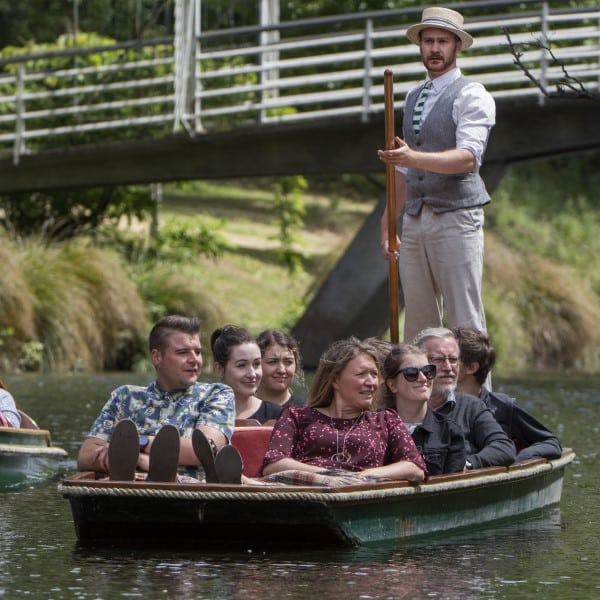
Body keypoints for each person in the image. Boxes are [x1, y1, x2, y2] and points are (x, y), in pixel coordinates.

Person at [377, 6, 496, 342]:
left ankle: (476, 380)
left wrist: (413, 157)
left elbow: (468, 159)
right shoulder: (413, 97)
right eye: (428, 41)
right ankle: (423, 379)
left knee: (464, 320)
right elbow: (403, 169)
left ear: (457, 46)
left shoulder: (472, 94)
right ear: (420, 46)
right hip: (416, 219)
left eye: (443, 41)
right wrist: (387, 223)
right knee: (419, 322)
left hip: (456, 217)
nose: (434, 49)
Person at [77, 315, 236, 479]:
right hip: (129, 486)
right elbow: (85, 456)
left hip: (190, 486)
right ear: (157, 357)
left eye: (198, 352)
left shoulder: (217, 394)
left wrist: (136, 446)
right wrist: (112, 459)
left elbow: (204, 449)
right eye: (183, 352)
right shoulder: (124, 397)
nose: (194, 359)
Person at [262, 337, 427, 482]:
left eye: (374, 374)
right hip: (310, 496)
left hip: (364, 498)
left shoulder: (387, 420)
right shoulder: (296, 416)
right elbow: (274, 464)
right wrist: (328, 476)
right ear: (335, 380)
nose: (371, 383)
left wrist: (364, 476)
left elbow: (415, 467)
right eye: (361, 374)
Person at [453, 326, 562, 461]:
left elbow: (551, 443)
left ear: (471, 367)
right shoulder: (436, 403)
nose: (443, 365)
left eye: (452, 358)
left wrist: (519, 459)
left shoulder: (502, 406)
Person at [413, 327, 516, 469]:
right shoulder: (400, 407)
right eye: (438, 359)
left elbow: (504, 447)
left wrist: (467, 464)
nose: (448, 367)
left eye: (453, 359)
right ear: (417, 363)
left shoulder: (472, 406)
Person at [381, 343, 466, 475]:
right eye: (411, 373)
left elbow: (453, 484)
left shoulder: (450, 431)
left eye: (428, 371)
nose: (423, 378)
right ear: (392, 384)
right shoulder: (374, 428)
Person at [211, 325, 282, 424]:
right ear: (219, 369)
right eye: (242, 365)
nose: (252, 374)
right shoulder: (202, 414)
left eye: (257, 364)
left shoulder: (278, 415)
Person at [256, 329, 305, 408]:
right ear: (256, 365)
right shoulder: (239, 409)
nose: (281, 370)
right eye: (273, 362)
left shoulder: (306, 411)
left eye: (288, 362)